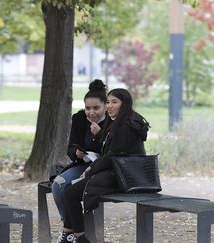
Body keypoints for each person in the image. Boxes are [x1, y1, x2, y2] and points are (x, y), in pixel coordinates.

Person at [60, 88, 150, 243]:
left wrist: (90, 169)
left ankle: (78, 238)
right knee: (69, 190)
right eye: (108, 102)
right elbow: (110, 148)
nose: (109, 106)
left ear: (125, 104)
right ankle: (69, 235)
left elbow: (113, 154)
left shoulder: (127, 125)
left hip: (124, 176)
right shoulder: (119, 121)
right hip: (116, 171)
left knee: (70, 193)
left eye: (114, 102)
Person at [53, 79, 108, 243]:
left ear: (105, 106)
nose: (92, 113)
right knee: (58, 184)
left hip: (101, 168)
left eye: (96, 108)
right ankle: (68, 229)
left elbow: (110, 152)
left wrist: (99, 135)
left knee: (73, 189)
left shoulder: (111, 122)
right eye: (88, 108)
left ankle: (72, 232)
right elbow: (70, 147)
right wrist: (76, 153)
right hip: (82, 163)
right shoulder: (78, 118)